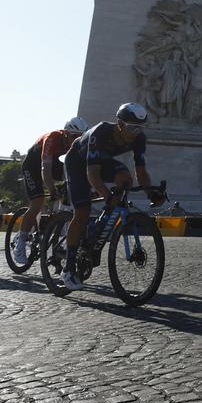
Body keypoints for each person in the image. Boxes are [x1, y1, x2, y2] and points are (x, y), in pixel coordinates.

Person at [60, 103, 159, 290]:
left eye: (140, 128)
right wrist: (106, 195)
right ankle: (68, 268)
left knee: (126, 179)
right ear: (120, 124)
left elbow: (141, 171)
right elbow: (93, 175)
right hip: (78, 163)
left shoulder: (139, 138)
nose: (136, 132)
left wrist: (151, 192)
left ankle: (102, 222)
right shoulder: (100, 133)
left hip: (101, 162)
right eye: (132, 127)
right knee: (82, 211)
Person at [11, 117, 90, 265]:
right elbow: (45, 169)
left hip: (53, 163)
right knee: (38, 202)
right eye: (74, 136)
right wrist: (52, 189)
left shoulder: (79, 144)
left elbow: (83, 169)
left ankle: (60, 218)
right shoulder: (52, 138)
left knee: (72, 181)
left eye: (81, 137)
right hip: (33, 165)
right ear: (66, 133)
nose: (77, 140)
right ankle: (20, 245)